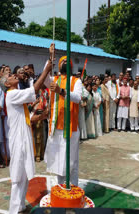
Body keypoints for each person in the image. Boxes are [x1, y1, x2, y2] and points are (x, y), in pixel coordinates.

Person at [5, 47, 53, 214]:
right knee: (17, 177)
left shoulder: (17, 93)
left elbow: (29, 116)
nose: (14, 76)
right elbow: (35, 89)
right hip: (17, 139)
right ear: (6, 83)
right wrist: (46, 70)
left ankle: (20, 206)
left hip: (24, 136)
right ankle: (13, 210)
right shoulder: (11, 94)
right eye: (10, 76)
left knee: (24, 174)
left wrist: (42, 116)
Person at [44, 53, 83, 186]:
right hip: (56, 127)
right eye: (62, 60)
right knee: (58, 162)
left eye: (68, 60)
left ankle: (73, 188)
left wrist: (61, 91)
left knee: (71, 162)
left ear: (71, 66)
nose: (65, 62)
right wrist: (50, 57)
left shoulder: (76, 81)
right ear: (59, 65)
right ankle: (60, 187)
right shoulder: (54, 79)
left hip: (70, 128)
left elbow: (77, 98)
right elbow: (44, 80)